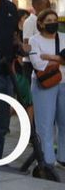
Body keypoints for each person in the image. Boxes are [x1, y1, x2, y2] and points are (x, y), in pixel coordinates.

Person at [28, 9, 65, 168]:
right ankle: (47, 161)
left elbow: (43, 60)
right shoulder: (34, 40)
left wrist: (48, 57)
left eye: (54, 20)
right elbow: (37, 64)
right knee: (45, 124)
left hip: (64, 83)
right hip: (43, 85)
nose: (52, 23)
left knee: (64, 123)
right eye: (48, 20)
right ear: (41, 23)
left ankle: (63, 158)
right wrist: (61, 60)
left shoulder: (63, 38)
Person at [0, 0, 20, 159]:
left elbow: (14, 38)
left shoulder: (10, 8)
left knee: (3, 121)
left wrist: (20, 47)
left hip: (6, 73)